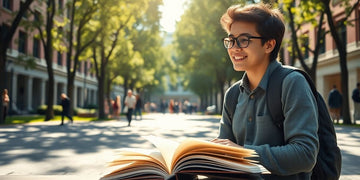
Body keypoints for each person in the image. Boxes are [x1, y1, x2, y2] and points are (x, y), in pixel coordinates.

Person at [211, 3, 319, 179]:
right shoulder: (233, 95)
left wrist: (244, 153)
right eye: (231, 40)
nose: (234, 48)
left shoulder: (292, 83)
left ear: (269, 45)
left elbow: (305, 154)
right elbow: (226, 152)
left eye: (244, 40)